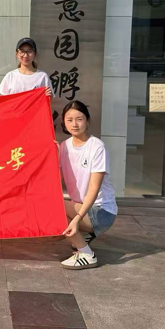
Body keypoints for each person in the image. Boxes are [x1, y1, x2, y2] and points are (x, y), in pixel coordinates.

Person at [57, 100, 117, 270]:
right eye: (69, 120)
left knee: (55, 210)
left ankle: (87, 254)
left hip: (102, 211)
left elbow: (93, 189)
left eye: (79, 119)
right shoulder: (64, 147)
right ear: (64, 122)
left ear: (88, 121)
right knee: (50, 208)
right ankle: (85, 233)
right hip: (82, 208)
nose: (74, 124)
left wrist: (76, 219)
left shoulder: (97, 147)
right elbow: (56, 180)